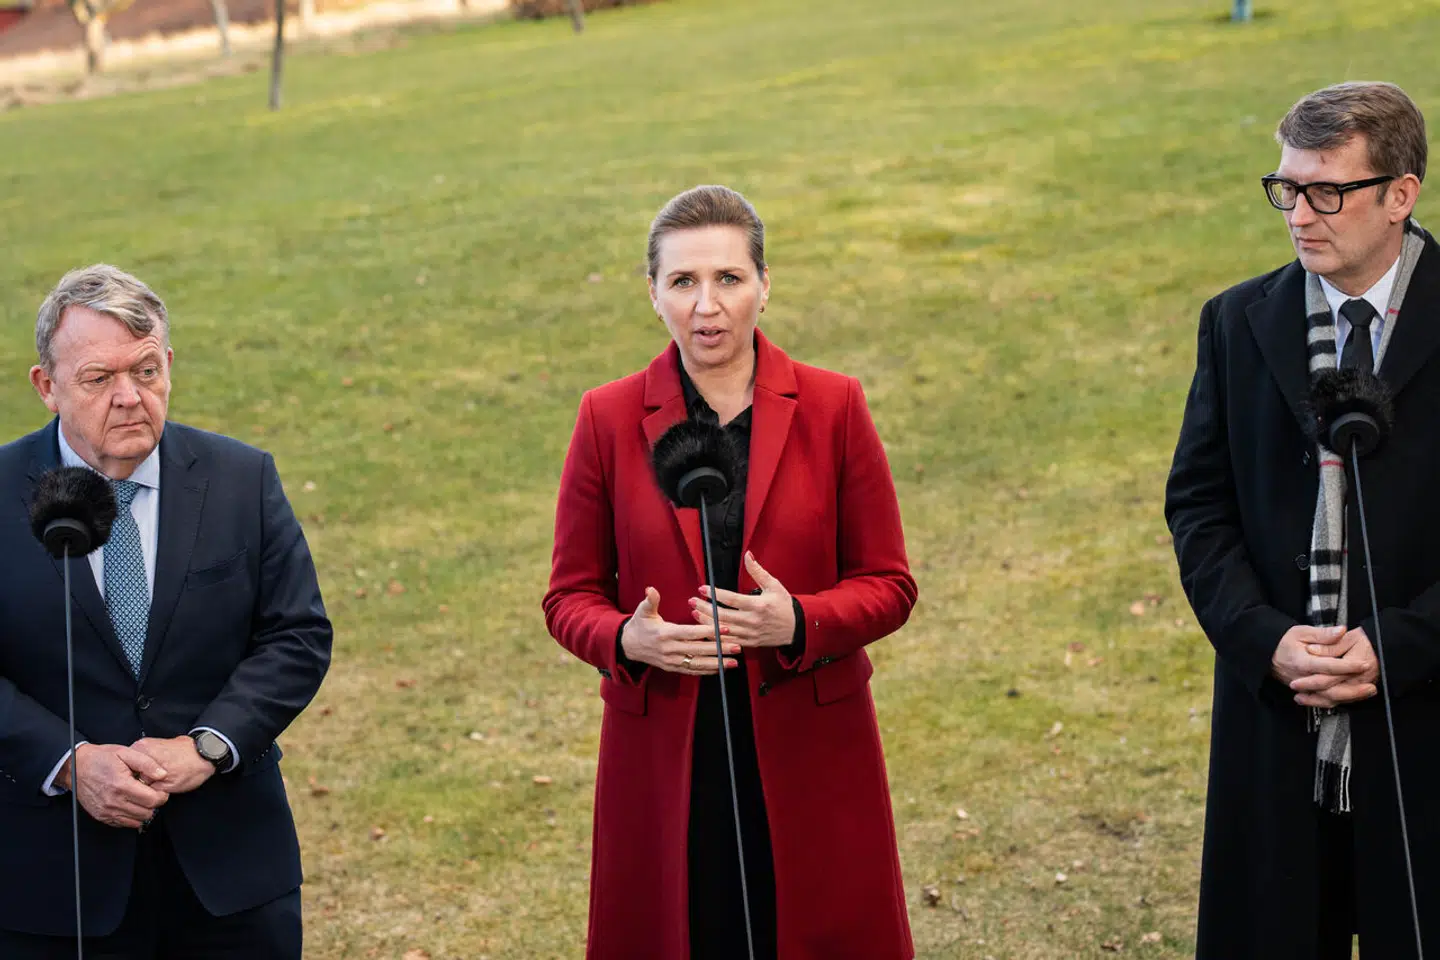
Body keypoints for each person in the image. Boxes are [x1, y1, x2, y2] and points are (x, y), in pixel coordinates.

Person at [543, 185, 917, 960]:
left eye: (728, 279)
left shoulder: (834, 405)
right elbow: (568, 596)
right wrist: (625, 638)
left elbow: (889, 582)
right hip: (666, 754)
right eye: (682, 283)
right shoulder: (605, 419)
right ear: (653, 295)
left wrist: (800, 622)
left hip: (811, 745)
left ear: (764, 285)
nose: (706, 306)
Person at [1166, 82, 1440, 959]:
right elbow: (1199, 506)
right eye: (1287, 187)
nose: (1299, 214)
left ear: (1401, 195)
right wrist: (1262, 637)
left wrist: (1401, 645)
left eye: (1329, 191)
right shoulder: (1238, 320)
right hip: (1277, 719)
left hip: (1427, 720)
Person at [0, 264, 332, 957]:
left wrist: (207, 747)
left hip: (231, 878)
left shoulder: (241, 479)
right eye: (98, 379)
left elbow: (295, 636)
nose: (129, 397)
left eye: (146, 371)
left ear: (170, 365)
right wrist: (69, 762)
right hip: (53, 887)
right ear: (47, 386)